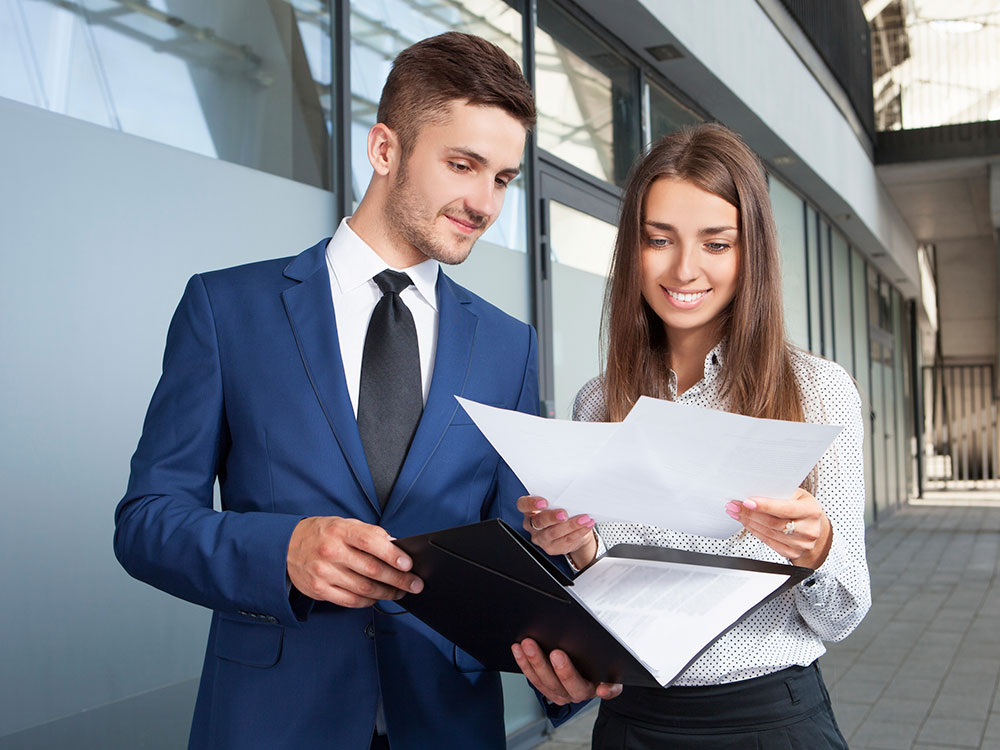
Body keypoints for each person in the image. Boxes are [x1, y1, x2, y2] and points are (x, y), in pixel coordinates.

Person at [115, 32, 572, 750]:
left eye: (503, 179)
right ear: (385, 150)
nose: (484, 203)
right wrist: (284, 549)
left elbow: (515, 546)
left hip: (448, 722)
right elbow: (146, 521)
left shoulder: (509, 346)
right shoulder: (226, 309)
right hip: (272, 720)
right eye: (463, 165)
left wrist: (570, 618)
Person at [513, 123, 871, 748]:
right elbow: (610, 593)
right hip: (633, 722)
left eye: (716, 243)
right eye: (660, 240)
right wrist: (580, 553)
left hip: (768, 720)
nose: (684, 269)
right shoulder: (597, 402)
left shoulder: (818, 391)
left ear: (749, 252)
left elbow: (841, 617)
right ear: (634, 249)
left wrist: (819, 551)